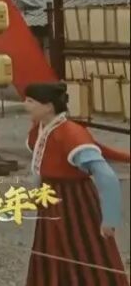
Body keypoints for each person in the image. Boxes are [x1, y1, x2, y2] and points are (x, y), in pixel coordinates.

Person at [23, 82, 130, 285]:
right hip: (51, 197)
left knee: (82, 247)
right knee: (51, 248)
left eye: (30, 101)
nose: (25, 105)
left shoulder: (71, 133)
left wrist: (110, 218)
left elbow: (106, 175)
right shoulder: (42, 129)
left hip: (75, 200)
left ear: (48, 106)